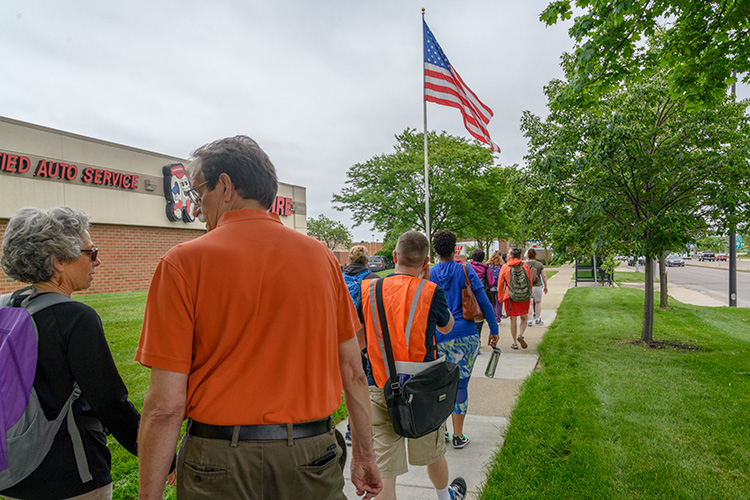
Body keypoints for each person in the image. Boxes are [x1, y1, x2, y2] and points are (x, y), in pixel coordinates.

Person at [135, 136, 381, 500]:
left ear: (226, 186)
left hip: (218, 461)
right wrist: (364, 454)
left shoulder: (182, 263)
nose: (199, 207)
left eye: (200, 191)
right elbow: (354, 371)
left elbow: (165, 408)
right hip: (311, 454)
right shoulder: (323, 258)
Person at [0, 206, 147, 500]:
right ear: (58, 261)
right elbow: (111, 402)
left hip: (13, 471)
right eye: (90, 252)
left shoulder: (6, 306)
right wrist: (158, 453)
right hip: (73, 475)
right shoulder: (75, 317)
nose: (98, 261)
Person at [360, 231, 465, 500]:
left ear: (394, 256)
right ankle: (445, 497)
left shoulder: (369, 290)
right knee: (433, 454)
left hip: (381, 386)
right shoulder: (431, 291)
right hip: (423, 389)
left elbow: (360, 338)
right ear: (426, 263)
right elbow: (447, 326)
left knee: (386, 470)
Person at [429, 230, 499, 449]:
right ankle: (459, 436)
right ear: (455, 249)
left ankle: (445, 433)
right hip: (467, 335)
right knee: (461, 383)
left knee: (440, 384)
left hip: (439, 336)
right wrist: (494, 329)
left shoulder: (429, 274)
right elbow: (484, 302)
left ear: (436, 250)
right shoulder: (465, 269)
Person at [342, 244, 381, 445]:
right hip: (366, 339)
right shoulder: (373, 280)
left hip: (341, 338)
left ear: (348, 260)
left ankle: (350, 430)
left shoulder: (339, 277)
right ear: (367, 261)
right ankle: (365, 429)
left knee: (349, 384)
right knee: (366, 383)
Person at [498, 248, 533, 350]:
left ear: (511, 256)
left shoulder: (505, 267)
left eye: (508, 253)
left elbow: (500, 284)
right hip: (523, 296)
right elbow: (529, 280)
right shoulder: (525, 265)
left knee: (513, 319)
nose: (507, 255)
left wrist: (500, 297)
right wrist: (528, 293)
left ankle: (514, 343)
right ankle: (520, 335)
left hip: (511, 296)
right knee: (524, 318)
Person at [468, 248, 495, 341]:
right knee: (479, 319)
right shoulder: (485, 269)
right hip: (481, 295)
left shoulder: (467, 267)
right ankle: (477, 340)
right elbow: (491, 282)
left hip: (468, 296)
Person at [526, 248, 548, 327]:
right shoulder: (539, 264)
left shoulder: (525, 265)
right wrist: (545, 286)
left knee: (529, 303)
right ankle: (538, 319)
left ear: (528, 255)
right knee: (538, 302)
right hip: (537, 286)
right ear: (535, 255)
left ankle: (530, 320)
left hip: (528, 286)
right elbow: (544, 276)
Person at [487, 251, 505, 323]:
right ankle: (498, 319)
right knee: (499, 303)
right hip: (499, 287)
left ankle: (492, 317)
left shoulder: (488, 265)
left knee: (492, 303)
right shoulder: (502, 266)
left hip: (490, 286)